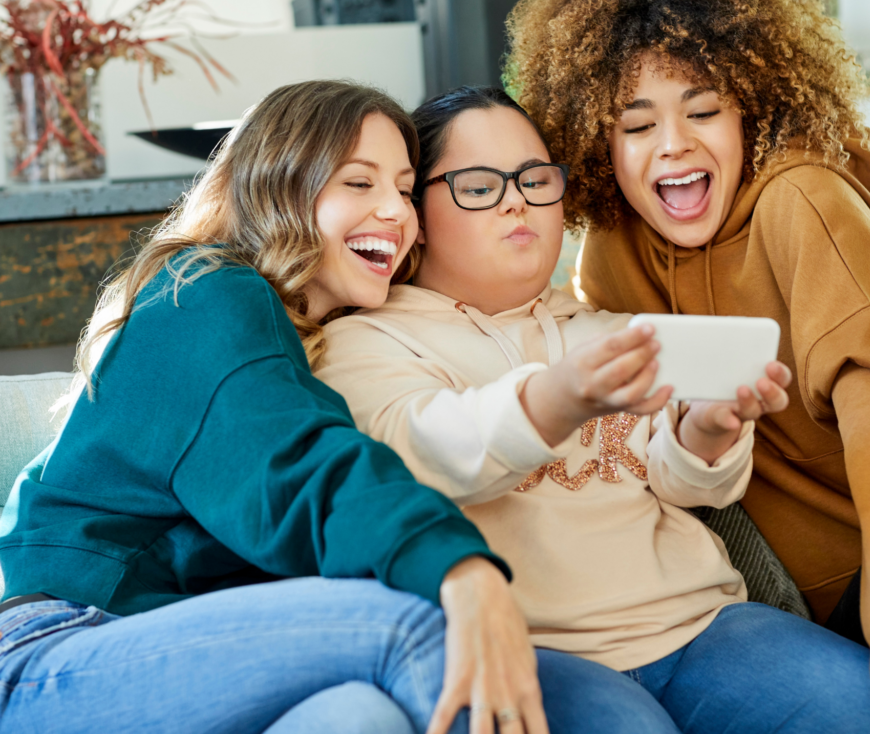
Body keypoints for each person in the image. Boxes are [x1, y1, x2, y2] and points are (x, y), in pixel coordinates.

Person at [0, 80, 680, 734]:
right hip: (60, 647)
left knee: (362, 717)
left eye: (406, 190)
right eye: (359, 182)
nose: (396, 212)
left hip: (177, 651)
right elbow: (303, 471)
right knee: (414, 628)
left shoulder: (317, 342)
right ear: (278, 185)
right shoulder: (206, 293)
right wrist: (460, 569)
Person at [315, 84, 870, 734]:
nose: (517, 201)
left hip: (706, 627)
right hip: (548, 651)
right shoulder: (364, 339)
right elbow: (418, 453)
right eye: (481, 186)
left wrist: (706, 430)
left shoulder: (610, 326)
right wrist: (556, 399)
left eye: (536, 179)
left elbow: (682, 482)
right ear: (416, 213)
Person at [504, 0, 870, 730]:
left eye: (704, 109)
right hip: (834, 595)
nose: (672, 143)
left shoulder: (801, 201)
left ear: (756, 105)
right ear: (596, 143)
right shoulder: (613, 253)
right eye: (635, 124)